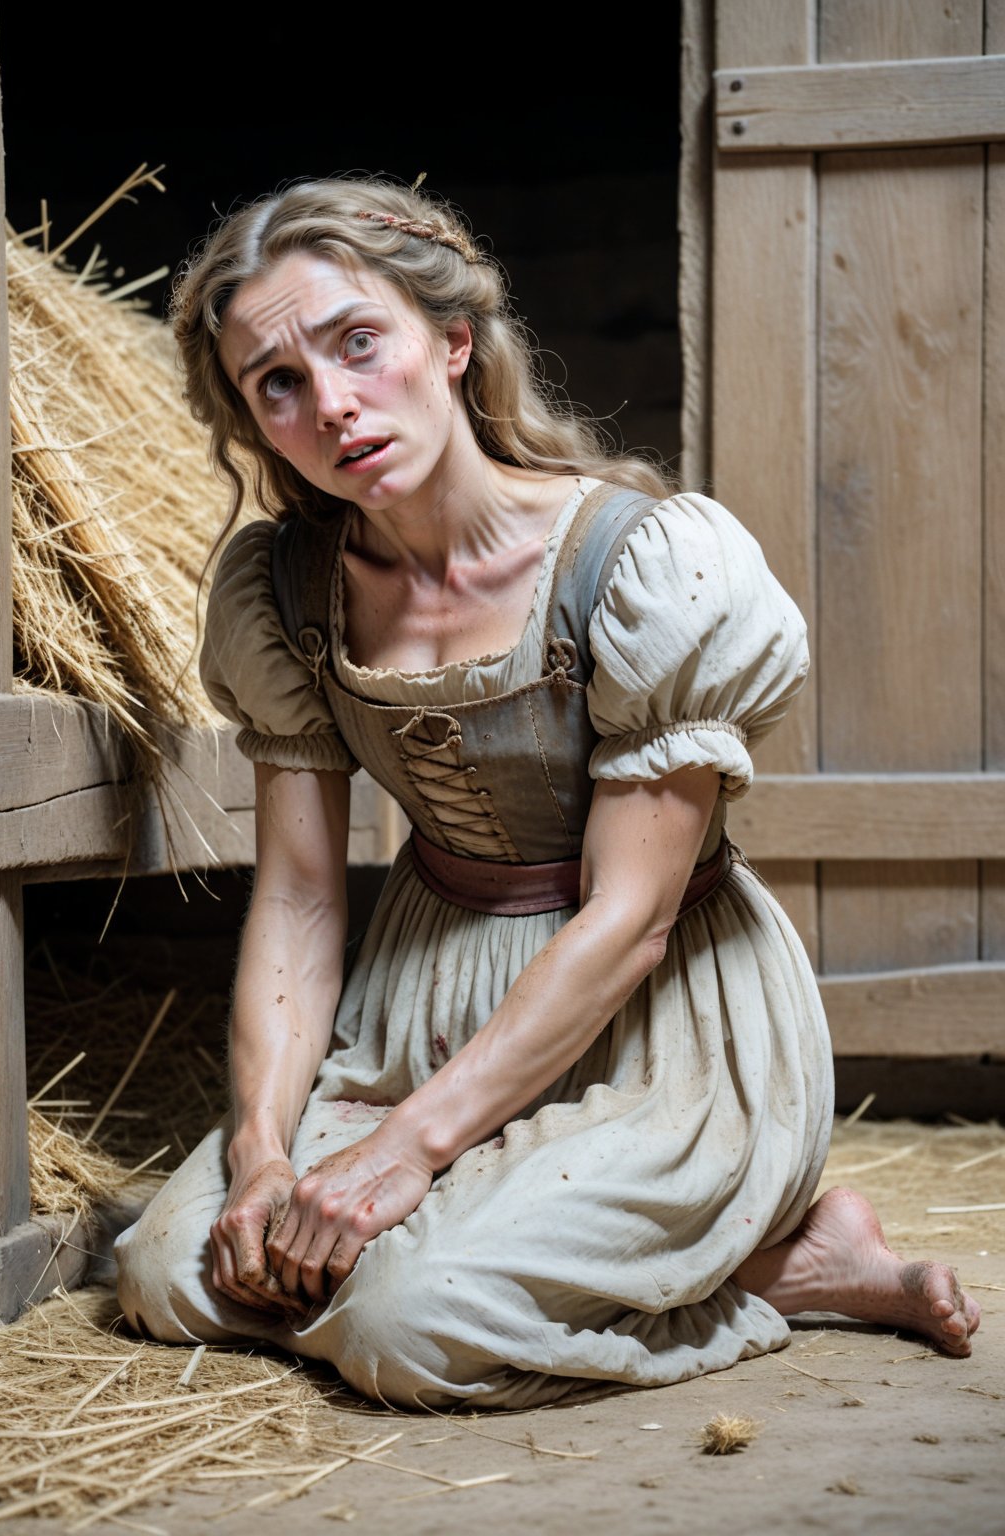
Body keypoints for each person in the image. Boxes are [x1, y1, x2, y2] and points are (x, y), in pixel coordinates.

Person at [114, 175, 979, 1408]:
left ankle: (787, 1265)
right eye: (280, 385)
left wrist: (405, 1152)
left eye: (361, 343)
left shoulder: (646, 564)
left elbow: (629, 923)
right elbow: (302, 905)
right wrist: (260, 1153)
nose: (334, 405)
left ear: (453, 343)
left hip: (653, 1013)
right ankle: (712, 1262)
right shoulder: (283, 593)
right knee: (172, 1271)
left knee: (407, 1325)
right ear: (258, 423)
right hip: (421, 998)